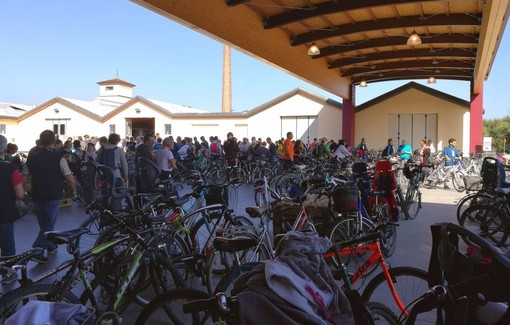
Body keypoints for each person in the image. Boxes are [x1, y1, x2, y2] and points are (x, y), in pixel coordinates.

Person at [23, 130, 76, 263]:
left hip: (37, 194)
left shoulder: (32, 157)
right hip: (53, 194)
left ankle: (51, 245)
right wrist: (73, 191)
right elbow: (70, 178)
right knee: (49, 223)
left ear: (40, 141)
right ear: (54, 142)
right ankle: (38, 249)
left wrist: (23, 193)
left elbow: (24, 177)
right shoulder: (60, 158)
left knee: (44, 223)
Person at [0, 135, 24, 269]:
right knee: (7, 246)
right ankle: (8, 272)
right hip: (4, 213)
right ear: (4, 149)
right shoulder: (11, 169)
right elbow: (20, 194)